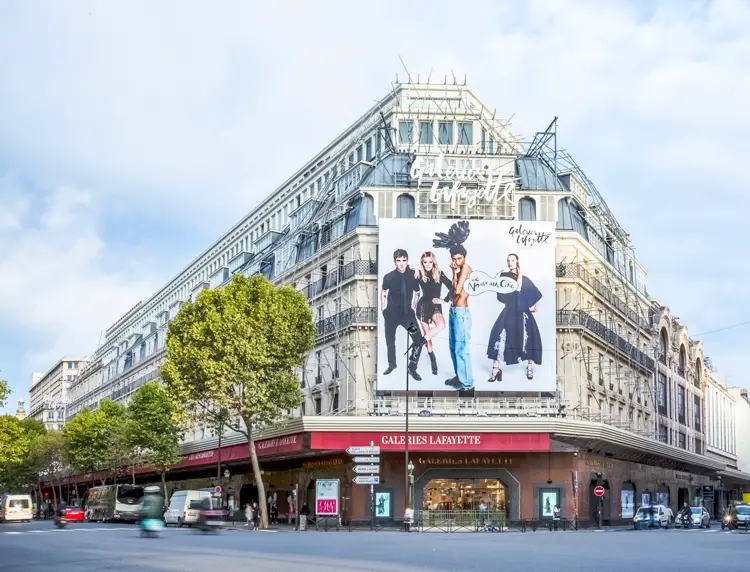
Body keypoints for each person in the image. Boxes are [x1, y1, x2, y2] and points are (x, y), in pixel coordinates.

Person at [486, 253, 543, 382]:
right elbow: (500, 295)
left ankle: (529, 368)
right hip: (509, 312)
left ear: (517, 261)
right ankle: (495, 371)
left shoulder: (524, 278)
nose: (510, 262)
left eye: (512, 260)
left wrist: (534, 308)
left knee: (529, 339)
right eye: (508, 260)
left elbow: (537, 294)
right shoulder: (505, 277)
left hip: (523, 314)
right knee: (500, 337)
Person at [433, 221, 473, 391]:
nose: (456, 261)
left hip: (462, 313)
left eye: (459, 258)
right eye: (454, 259)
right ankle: (459, 376)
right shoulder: (459, 270)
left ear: (464, 257)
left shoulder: (465, 268)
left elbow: (457, 290)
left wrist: (453, 271)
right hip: (453, 312)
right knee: (453, 347)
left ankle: (467, 383)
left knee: (461, 348)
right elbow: (451, 293)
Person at [381, 249, 425, 380]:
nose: (401, 263)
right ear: (394, 261)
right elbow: (383, 291)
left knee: (418, 340)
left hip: (407, 316)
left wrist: (414, 307)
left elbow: (418, 292)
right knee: (390, 341)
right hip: (391, 315)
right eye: (398, 260)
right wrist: (383, 309)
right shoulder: (388, 277)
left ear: (407, 261)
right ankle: (392, 365)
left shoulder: (413, 275)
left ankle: (412, 367)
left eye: (404, 260)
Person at [413, 251, 452, 375]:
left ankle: (419, 343)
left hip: (435, 304)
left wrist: (444, 300)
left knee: (441, 325)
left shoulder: (439, 273)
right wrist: (413, 271)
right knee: (427, 336)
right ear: (422, 263)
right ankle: (432, 358)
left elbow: (452, 286)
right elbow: (411, 283)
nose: (428, 264)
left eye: (430, 262)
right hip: (423, 305)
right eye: (425, 262)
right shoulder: (419, 274)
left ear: (434, 262)